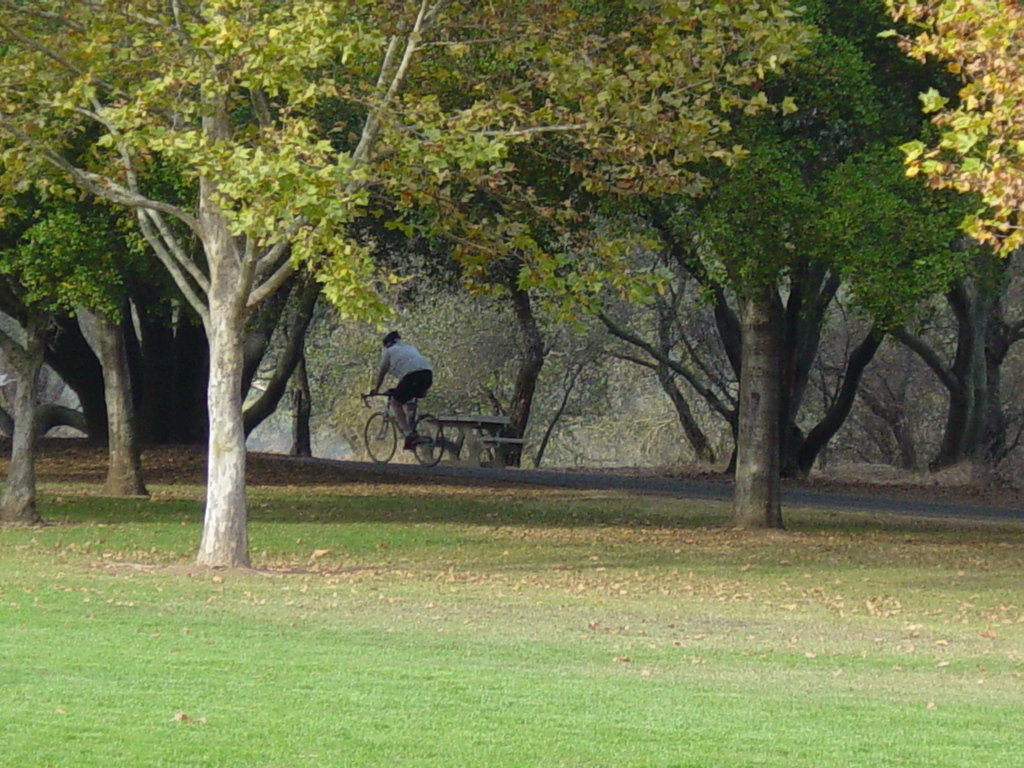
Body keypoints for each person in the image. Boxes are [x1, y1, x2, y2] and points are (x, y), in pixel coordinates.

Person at [369, 331, 433, 449]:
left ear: (387, 344)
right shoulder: (410, 348)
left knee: (395, 403)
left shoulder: (389, 351)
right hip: (428, 375)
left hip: (412, 377)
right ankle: (413, 423)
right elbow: (408, 368)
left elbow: (382, 373)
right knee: (409, 396)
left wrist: (376, 389)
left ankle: (409, 434)